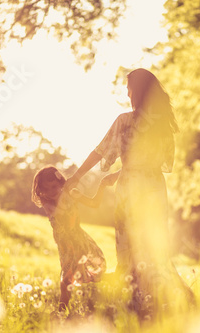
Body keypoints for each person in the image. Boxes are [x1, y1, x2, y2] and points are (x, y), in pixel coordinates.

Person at [65, 68, 193, 317]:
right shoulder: (162, 125)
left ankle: (137, 302)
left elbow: (100, 151)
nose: (127, 93)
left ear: (138, 91)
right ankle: (167, 299)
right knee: (153, 245)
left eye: (129, 89)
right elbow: (154, 164)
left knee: (129, 245)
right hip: (154, 189)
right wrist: (120, 173)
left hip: (131, 191)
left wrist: (76, 177)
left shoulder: (125, 121)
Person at [31, 165, 117, 311]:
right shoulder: (47, 202)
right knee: (67, 281)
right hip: (66, 245)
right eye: (47, 189)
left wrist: (102, 185)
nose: (51, 192)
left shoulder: (71, 194)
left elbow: (94, 203)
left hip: (79, 240)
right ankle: (62, 310)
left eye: (54, 187)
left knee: (82, 276)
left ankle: (61, 310)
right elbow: (58, 213)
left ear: (61, 184)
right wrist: (65, 194)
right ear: (42, 190)